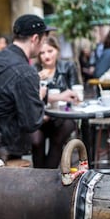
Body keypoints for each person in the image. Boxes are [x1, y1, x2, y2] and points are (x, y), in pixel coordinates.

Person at [0, 14, 53, 160]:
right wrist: (39, 96)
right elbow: (32, 122)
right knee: (58, 128)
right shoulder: (26, 72)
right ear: (35, 39)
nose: (42, 47)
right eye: (43, 41)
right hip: (5, 146)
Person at [31, 36, 79, 168]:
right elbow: (30, 99)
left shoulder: (68, 67)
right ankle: (39, 176)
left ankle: (48, 176)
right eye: (42, 53)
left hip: (63, 116)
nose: (46, 56)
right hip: (41, 117)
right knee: (36, 141)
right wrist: (35, 79)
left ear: (57, 50)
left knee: (59, 137)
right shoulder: (33, 71)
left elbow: (76, 95)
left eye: (50, 51)